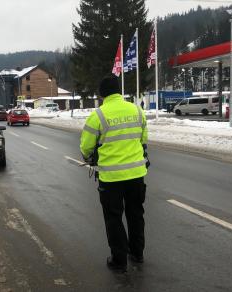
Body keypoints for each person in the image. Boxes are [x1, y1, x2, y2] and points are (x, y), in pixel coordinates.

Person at [80, 76, 149, 273]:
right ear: (119, 90)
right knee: (136, 214)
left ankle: (119, 260)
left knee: (113, 217)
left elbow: (86, 147)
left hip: (111, 179)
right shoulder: (137, 110)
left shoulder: (98, 115)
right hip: (136, 174)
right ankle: (137, 253)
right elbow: (144, 138)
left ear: (102, 94)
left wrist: (88, 157)